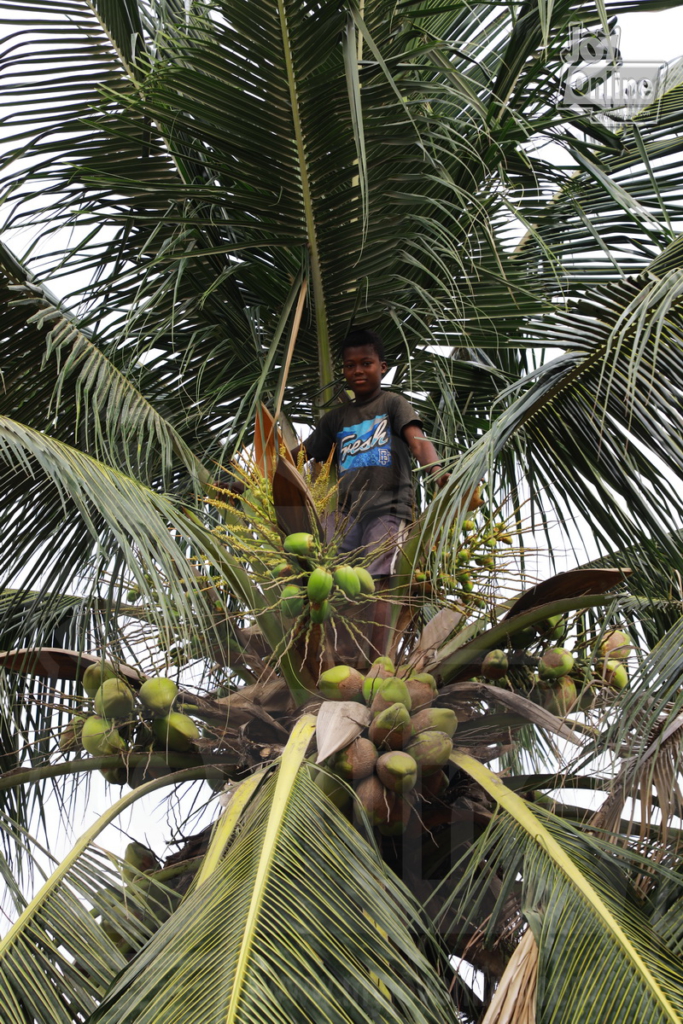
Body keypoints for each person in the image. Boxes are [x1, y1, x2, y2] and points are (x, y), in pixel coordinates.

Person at [296, 328, 448, 577]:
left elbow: (418, 443)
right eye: (350, 365)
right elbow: (297, 455)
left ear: (382, 367)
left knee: (378, 576)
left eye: (366, 363)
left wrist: (438, 471)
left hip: (388, 510)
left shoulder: (392, 403)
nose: (357, 371)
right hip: (346, 514)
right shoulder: (336, 419)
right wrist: (247, 481)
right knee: (322, 568)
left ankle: (378, 615)